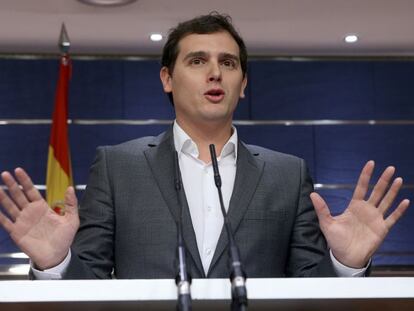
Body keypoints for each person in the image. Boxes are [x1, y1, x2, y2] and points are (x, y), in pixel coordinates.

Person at [0, 13, 410, 279]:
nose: (215, 73)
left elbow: (308, 288)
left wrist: (345, 264)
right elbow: (88, 284)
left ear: (243, 84)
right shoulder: (117, 166)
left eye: (228, 63)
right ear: (167, 78)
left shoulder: (288, 174)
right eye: (197, 61)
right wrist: (56, 263)